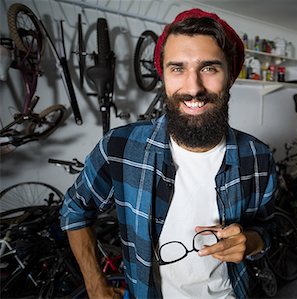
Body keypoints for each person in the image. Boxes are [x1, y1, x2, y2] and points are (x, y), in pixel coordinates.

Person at [60, 8, 276, 299]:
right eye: (178, 68)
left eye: (209, 68)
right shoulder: (120, 148)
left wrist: (250, 241)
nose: (193, 88)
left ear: (230, 76)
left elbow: (268, 227)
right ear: (164, 75)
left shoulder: (258, 158)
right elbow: (75, 209)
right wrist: (94, 284)